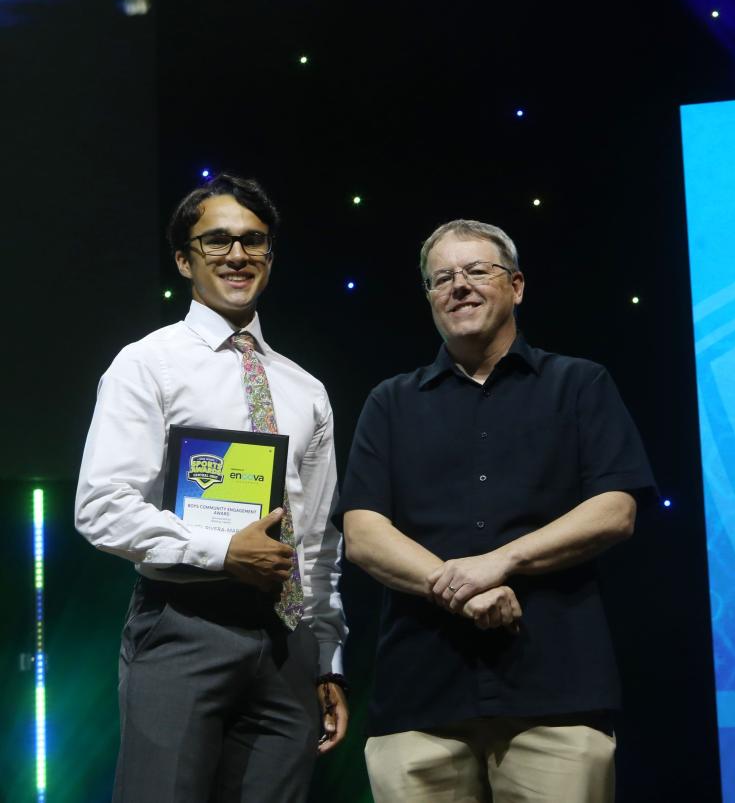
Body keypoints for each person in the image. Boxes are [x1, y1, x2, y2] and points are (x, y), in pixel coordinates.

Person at [342, 219, 655, 802]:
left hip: (556, 694)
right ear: (430, 299)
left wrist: (500, 562)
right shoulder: (390, 402)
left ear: (516, 286)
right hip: (420, 699)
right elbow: (362, 532)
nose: (458, 286)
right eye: (442, 278)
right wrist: (460, 584)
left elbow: (615, 509)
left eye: (476, 271)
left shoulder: (580, 384)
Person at [75, 174, 348, 802]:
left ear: (270, 257)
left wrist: (327, 655)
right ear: (183, 259)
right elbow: (101, 508)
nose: (237, 255)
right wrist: (221, 552)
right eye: (217, 241)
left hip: (286, 641)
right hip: (182, 622)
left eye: (254, 241)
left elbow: (318, 541)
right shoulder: (148, 364)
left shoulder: (307, 390)